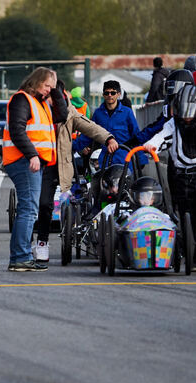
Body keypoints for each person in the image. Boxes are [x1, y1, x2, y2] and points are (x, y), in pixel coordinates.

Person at [144, 84, 196, 272]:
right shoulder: (173, 125)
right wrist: (151, 146)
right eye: (184, 113)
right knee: (185, 215)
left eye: (191, 112)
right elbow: (161, 137)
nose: (188, 117)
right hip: (181, 176)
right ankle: (193, 255)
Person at [32, 82, 119, 262]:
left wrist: (109, 138)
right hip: (37, 163)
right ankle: (36, 243)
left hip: (60, 165)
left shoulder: (68, 111)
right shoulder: (35, 108)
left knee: (49, 204)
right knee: (38, 205)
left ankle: (43, 242)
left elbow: (89, 126)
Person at [2, 67, 65, 272]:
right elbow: (17, 129)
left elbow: (62, 114)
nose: (49, 90)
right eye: (47, 85)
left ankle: (20, 256)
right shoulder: (23, 99)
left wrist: (55, 91)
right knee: (29, 210)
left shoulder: (41, 103)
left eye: (52, 87)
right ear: (36, 82)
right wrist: (32, 155)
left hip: (31, 161)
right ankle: (21, 257)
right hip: (24, 160)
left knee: (28, 209)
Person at [76, 80, 146, 169]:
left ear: (118, 94)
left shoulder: (127, 112)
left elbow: (136, 135)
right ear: (103, 95)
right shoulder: (98, 114)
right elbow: (89, 133)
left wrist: (141, 159)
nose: (110, 95)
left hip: (124, 161)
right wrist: (75, 147)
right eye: (107, 93)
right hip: (103, 162)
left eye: (113, 93)